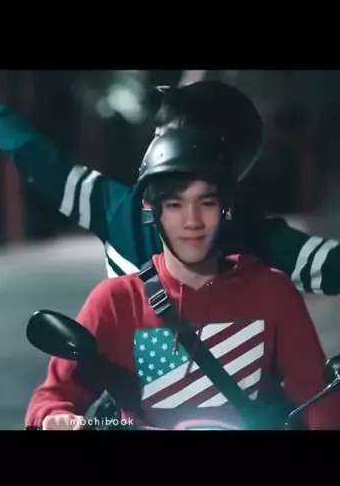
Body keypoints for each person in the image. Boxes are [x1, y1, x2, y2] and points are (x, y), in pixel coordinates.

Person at [25, 128, 340, 430]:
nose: (192, 221)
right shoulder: (117, 302)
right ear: (151, 208)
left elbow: (317, 398)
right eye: (175, 204)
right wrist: (55, 417)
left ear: (226, 207)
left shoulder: (271, 291)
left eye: (207, 202)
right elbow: (53, 396)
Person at [0, 70, 340, 295]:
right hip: (137, 405)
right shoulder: (118, 210)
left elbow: (329, 265)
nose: (156, 145)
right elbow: (33, 153)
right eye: (158, 133)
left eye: (166, 134)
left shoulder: (255, 236)